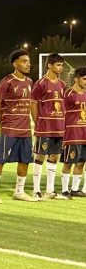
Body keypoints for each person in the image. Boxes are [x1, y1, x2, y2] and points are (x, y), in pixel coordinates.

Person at [0, 49, 36, 203]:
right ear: (15, 64)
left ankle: (19, 192)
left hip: (25, 130)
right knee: (0, 160)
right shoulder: (7, 81)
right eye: (24, 61)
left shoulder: (29, 82)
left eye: (29, 61)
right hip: (10, 129)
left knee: (25, 160)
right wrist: (2, 122)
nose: (28, 64)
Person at [30, 54, 68, 200]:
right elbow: (33, 103)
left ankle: (50, 190)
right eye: (58, 65)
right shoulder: (41, 83)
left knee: (54, 156)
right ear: (49, 65)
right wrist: (37, 122)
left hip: (59, 127)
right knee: (40, 156)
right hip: (44, 127)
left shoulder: (63, 84)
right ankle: (36, 190)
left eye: (62, 65)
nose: (61, 68)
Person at [60, 67, 86, 198]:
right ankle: (64, 190)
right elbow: (62, 115)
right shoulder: (68, 94)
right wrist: (62, 135)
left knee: (81, 162)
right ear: (76, 79)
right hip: (72, 134)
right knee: (68, 162)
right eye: (84, 79)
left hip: (84, 134)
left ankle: (75, 189)